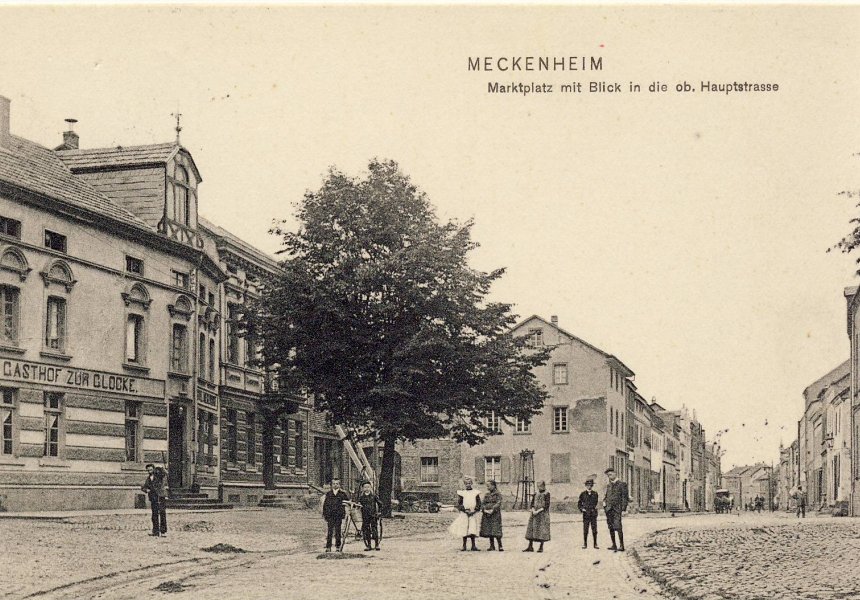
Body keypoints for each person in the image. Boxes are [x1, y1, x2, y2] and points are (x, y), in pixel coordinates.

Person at [449, 476, 482, 551]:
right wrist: (464, 510)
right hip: (465, 514)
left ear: (472, 484)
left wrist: (475, 510)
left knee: (472, 529)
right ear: (464, 484)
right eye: (466, 484)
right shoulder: (462, 493)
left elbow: (479, 503)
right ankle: (464, 545)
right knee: (464, 528)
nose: (468, 485)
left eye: (469, 483)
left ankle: (473, 545)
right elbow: (459, 503)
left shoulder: (475, 493)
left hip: (473, 513)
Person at [603, 467, 629, 552]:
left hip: (617, 509)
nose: (609, 477)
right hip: (609, 509)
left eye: (610, 474)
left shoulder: (622, 484)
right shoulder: (609, 485)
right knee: (610, 527)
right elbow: (607, 496)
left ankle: (621, 545)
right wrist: (605, 505)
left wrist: (624, 509)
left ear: (615, 473)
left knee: (618, 526)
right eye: (608, 475)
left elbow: (625, 498)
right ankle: (614, 545)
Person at [322, 478, 350, 552]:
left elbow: (347, 503)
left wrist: (345, 512)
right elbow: (325, 505)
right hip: (330, 515)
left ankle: (338, 546)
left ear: (339, 485)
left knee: (338, 531)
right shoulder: (328, 494)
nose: (335, 485)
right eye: (334, 483)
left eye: (337, 483)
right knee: (330, 531)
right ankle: (328, 547)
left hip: (338, 515)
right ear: (331, 485)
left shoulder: (342, 494)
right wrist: (325, 515)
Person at [141, 464, 168, 537]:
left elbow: (165, 473)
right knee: (154, 515)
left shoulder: (159, 475)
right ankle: (155, 531)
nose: (150, 471)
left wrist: (161, 467)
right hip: (153, 498)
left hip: (160, 496)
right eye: (148, 470)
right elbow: (143, 487)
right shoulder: (148, 479)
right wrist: (146, 490)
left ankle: (163, 531)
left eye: (151, 470)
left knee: (162, 513)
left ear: (154, 469)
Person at [524, 481, 550, 553]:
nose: (539, 487)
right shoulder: (536, 493)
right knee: (531, 529)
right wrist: (533, 510)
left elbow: (546, 506)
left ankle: (541, 547)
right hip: (534, 514)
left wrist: (538, 511)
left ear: (544, 486)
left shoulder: (547, 494)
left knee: (542, 530)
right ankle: (530, 546)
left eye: (540, 486)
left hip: (542, 515)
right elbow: (532, 504)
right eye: (538, 486)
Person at [357, 481, 382, 551]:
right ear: (362, 489)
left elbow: (380, 504)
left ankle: (377, 544)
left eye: (368, 487)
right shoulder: (361, 497)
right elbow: (358, 504)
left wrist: (379, 512)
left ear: (370, 488)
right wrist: (358, 506)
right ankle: (369, 545)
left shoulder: (374, 496)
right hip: (365, 516)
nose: (367, 488)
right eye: (365, 487)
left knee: (374, 529)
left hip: (373, 515)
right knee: (367, 530)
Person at [480, 480, 503, 551]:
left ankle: (500, 545)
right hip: (487, 514)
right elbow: (482, 503)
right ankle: (492, 545)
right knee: (489, 529)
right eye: (487, 486)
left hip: (495, 514)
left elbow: (498, 503)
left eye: (488, 486)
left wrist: (493, 509)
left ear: (493, 485)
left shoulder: (498, 494)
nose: (487, 488)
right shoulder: (487, 494)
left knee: (496, 529)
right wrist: (484, 510)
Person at [577, 476, 599, 549]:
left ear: (592, 486)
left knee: (594, 529)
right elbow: (579, 504)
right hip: (586, 514)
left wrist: (594, 509)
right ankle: (585, 543)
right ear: (586, 485)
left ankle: (595, 543)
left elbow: (595, 503)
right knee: (585, 529)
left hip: (593, 514)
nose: (589, 486)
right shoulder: (582, 494)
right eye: (588, 485)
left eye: (590, 485)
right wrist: (582, 509)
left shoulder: (595, 494)